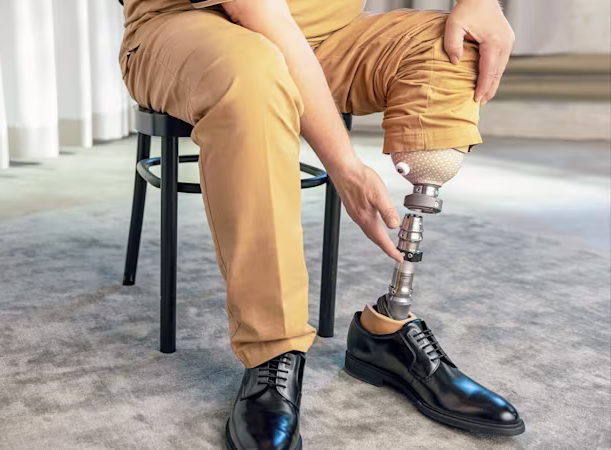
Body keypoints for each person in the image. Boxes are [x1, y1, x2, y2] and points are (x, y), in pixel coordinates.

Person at [119, 0, 523, 447]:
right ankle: (273, 350)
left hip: (330, 33)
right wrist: (345, 167)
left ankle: (389, 325)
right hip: (190, 28)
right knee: (252, 77)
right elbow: (261, 14)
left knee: (448, 43)